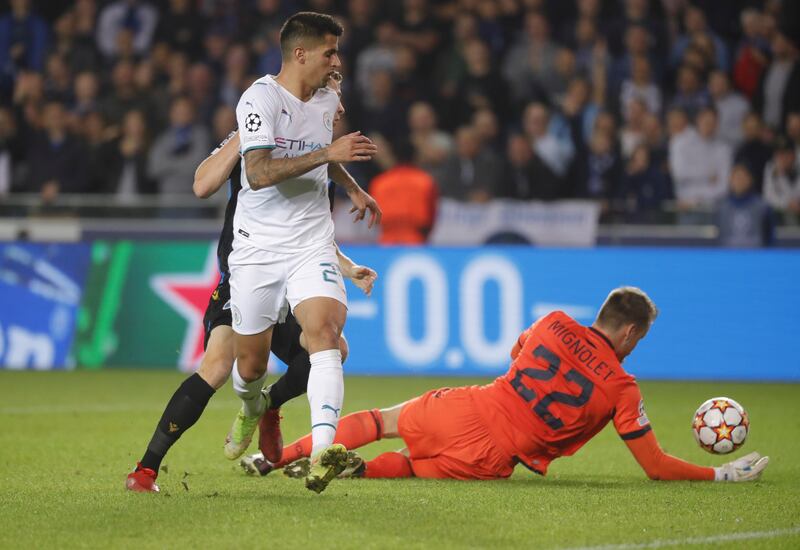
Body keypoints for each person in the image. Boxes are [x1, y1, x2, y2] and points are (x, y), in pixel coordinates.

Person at [126, 73, 378, 494]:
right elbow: (203, 184)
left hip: (292, 271)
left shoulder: (310, 142)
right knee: (222, 365)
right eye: (334, 90)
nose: (338, 105)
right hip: (246, 273)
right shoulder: (258, 126)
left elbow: (302, 229)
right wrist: (244, 135)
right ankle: (147, 467)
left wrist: (347, 259)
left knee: (333, 346)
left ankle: (269, 406)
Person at [243, 287, 769, 484]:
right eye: (639, 338)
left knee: (379, 422)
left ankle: (280, 458)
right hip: (495, 457)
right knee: (405, 467)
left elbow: (517, 355)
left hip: (472, 406)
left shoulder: (555, 321)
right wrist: (717, 474)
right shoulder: (623, 388)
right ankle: (357, 473)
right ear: (630, 332)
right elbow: (654, 466)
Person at [226, 11, 381, 494]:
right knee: (249, 367)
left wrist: (352, 188)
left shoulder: (329, 94)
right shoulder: (259, 99)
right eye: (330, 52)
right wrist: (327, 156)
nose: (338, 61)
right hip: (258, 249)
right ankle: (255, 406)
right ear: (300, 54)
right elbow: (258, 172)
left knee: (326, 337)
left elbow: (322, 154)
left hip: (311, 241)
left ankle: (322, 451)